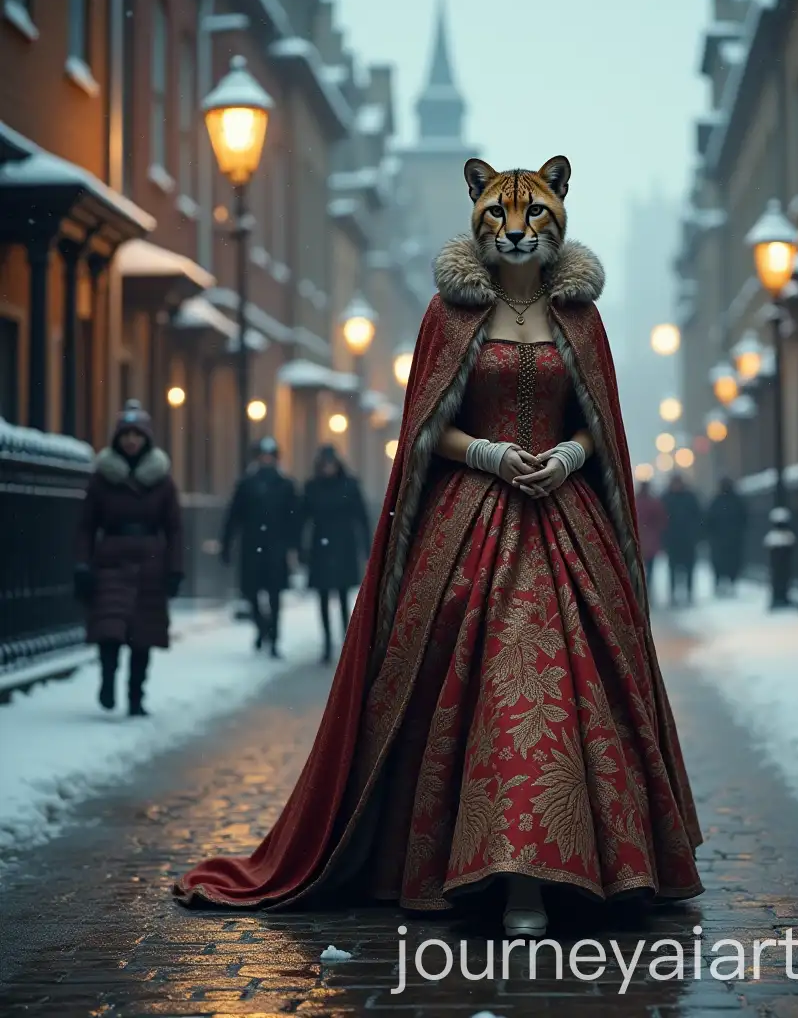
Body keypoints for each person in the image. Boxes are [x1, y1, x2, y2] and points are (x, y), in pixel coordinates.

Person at [176, 155, 703, 938]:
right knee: (474, 679)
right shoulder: (448, 316)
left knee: (573, 681)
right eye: (500, 215)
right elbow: (425, 427)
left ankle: (571, 868)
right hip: (471, 518)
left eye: (533, 214)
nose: (517, 230)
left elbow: (601, 427)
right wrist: (487, 453)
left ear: (558, 212)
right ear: (478, 216)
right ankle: (499, 874)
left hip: (567, 520)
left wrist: (568, 456)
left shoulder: (582, 319)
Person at [74, 400, 183, 717]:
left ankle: (136, 696)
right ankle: (108, 679)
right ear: (117, 438)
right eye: (126, 434)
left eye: (137, 435)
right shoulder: (102, 479)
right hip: (111, 559)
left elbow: (175, 529)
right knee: (109, 628)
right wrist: (82, 564)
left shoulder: (162, 481)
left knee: (142, 635)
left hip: (151, 563)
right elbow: (86, 526)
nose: (131, 440)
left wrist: (175, 570)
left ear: (146, 439)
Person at [220, 437, 298, 658]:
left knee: (274, 595)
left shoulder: (285, 485)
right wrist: (226, 544)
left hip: (276, 546)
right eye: (263, 455)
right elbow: (234, 516)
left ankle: (274, 638)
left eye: (270, 455)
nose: (266, 459)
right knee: (250, 592)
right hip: (252, 546)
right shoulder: (247, 484)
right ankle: (263, 627)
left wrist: (294, 547)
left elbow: (294, 518)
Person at [301, 444, 370, 664]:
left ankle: (345, 643)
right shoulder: (312, 487)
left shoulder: (349, 485)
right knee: (322, 597)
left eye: (330, 464)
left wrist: (367, 548)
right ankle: (327, 643)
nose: (328, 468)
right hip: (321, 548)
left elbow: (362, 518)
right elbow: (301, 518)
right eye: (325, 464)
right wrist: (300, 549)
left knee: (342, 596)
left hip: (344, 547)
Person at [661, 474, 703, 606]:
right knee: (673, 568)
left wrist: (696, 534)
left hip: (687, 539)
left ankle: (689, 593)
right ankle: (673, 594)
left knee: (689, 567)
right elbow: (661, 519)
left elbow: (698, 517)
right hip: (673, 539)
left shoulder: (689, 497)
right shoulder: (667, 498)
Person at [706, 476, 747, 595]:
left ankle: (721, 583)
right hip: (730, 538)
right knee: (730, 562)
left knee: (721, 562)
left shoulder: (717, 501)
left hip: (722, 538)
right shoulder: (736, 501)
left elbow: (709, 520)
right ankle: (729, 582)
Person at [635, 479, 668, 591]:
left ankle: (641, 588)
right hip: (649, 539)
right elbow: (661, 520)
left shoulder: (636, 501)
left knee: (639, 567)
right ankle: (646, 587)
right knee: (649, 567)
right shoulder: (653, 502)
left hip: (641, 539)